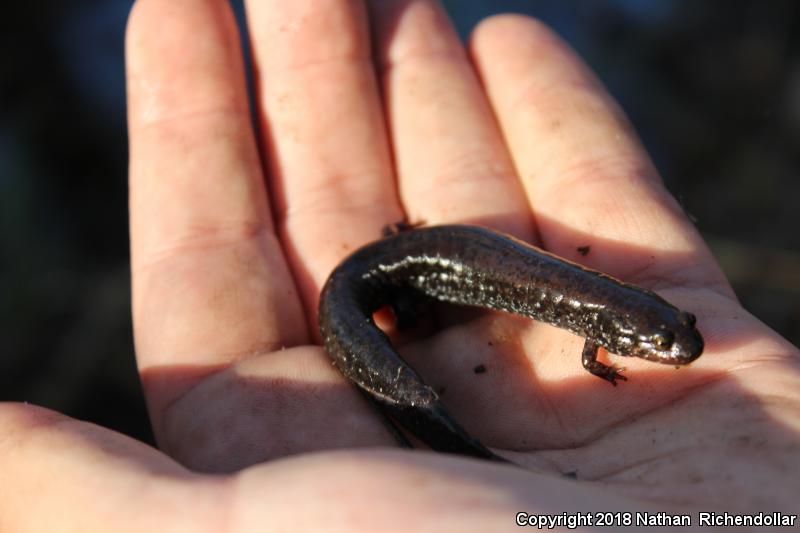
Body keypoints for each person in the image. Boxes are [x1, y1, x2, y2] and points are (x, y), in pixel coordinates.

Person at [3, 0, 798, 530]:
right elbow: (595, 335)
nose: (677, 340)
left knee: (408, 319)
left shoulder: (607, 311)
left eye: (670, 335)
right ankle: (408, 375)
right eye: (665, 337)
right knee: (396, 336)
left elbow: (600, 333)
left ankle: (412, 372)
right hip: (388, 272)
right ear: (629, 323)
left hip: (406, 259)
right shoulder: (605, 315)